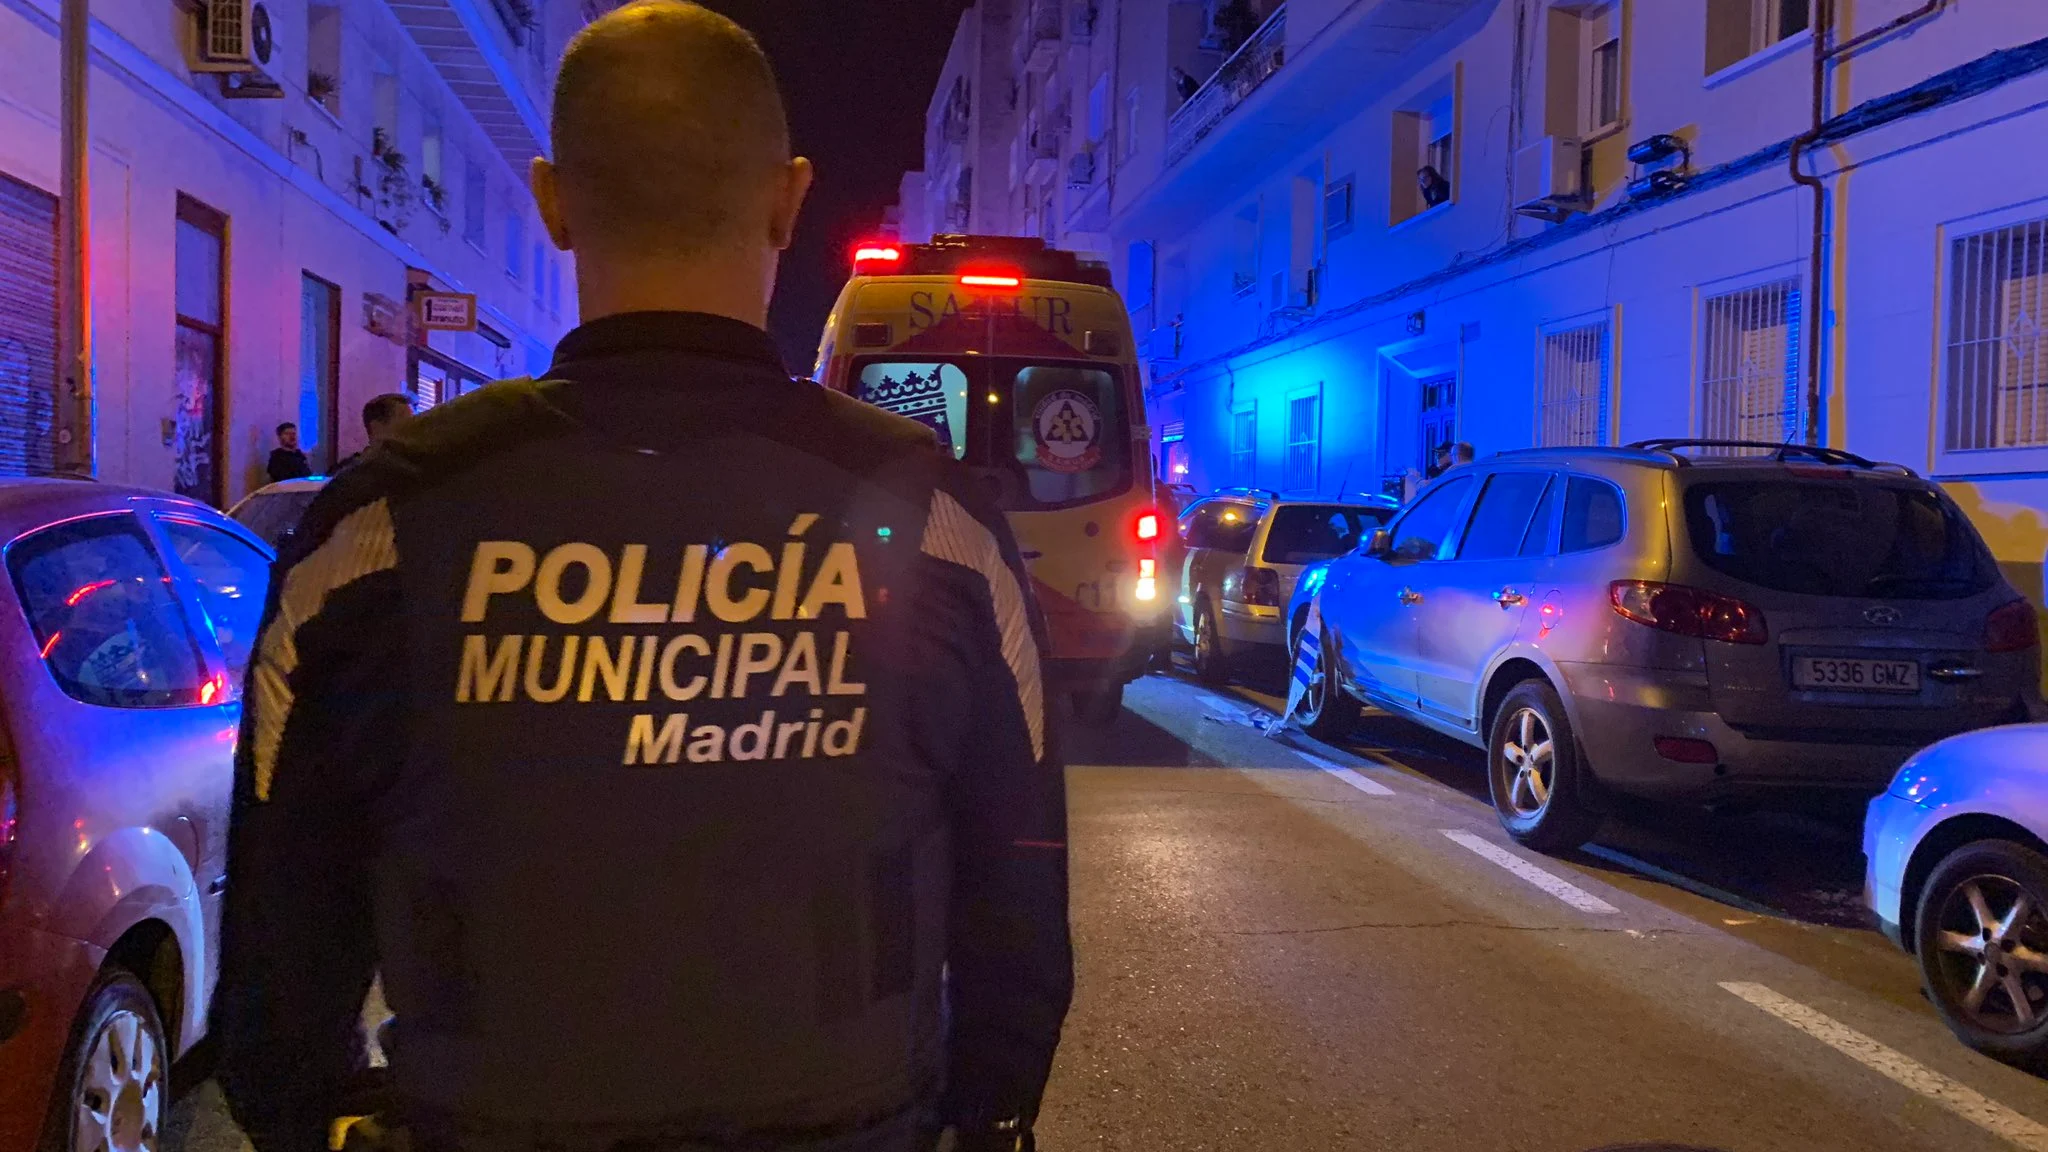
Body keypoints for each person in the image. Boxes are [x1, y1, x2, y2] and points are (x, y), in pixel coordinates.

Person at [209, 5, 1072, 1152]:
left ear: (553, 201)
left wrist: (315, 1116)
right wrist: (986, 1116)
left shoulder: (384, 521)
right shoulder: (930, 515)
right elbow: (1016, 881)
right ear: (787, 198)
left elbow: (283, 921)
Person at [336, 393, 416, 471]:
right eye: (404, 424)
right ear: (376, 427)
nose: (411, 431)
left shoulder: (413, 471)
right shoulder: (348, 474)